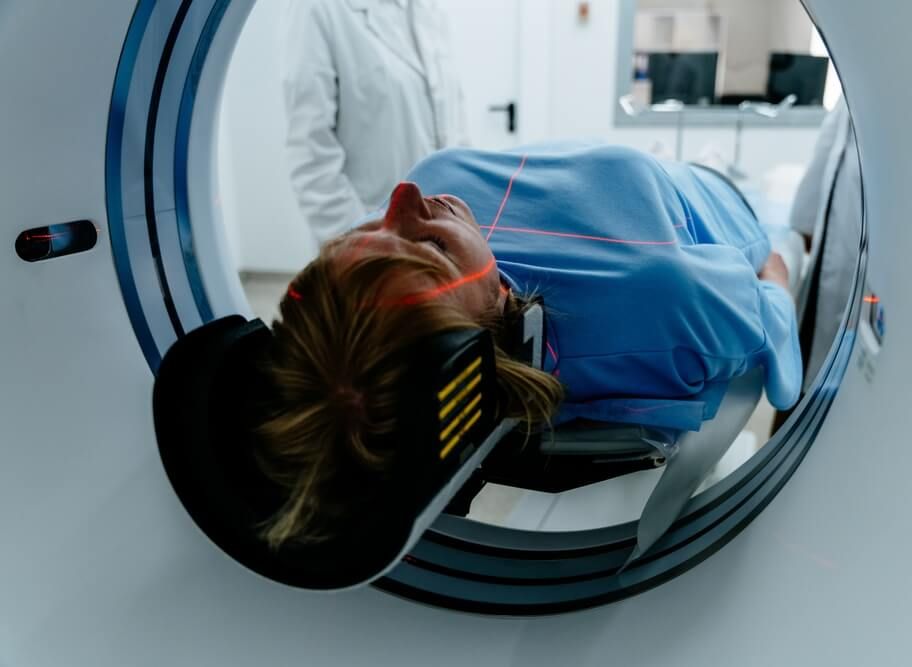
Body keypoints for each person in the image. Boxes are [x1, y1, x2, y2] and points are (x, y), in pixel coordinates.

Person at [255, 143, 802, 548]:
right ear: (489, 315)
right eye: (432, 247)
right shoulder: (662, 300)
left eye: (364, 234)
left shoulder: (430, 209)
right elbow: (774, 350)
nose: (406, 196)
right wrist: (778, 277)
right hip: (715, 196)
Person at [282, 0, 467, 245]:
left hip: (444, 233)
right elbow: (310, 151)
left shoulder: (430, 10)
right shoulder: (317, 8)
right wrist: (362, 242)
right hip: (369, 240)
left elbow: (456, 124)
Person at [787, 98, 862, 390]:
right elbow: (828, 151)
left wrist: (804, 223)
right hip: (833, 242)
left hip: (854, 251)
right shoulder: (851, 96)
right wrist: (804, 223)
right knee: (809, 359)